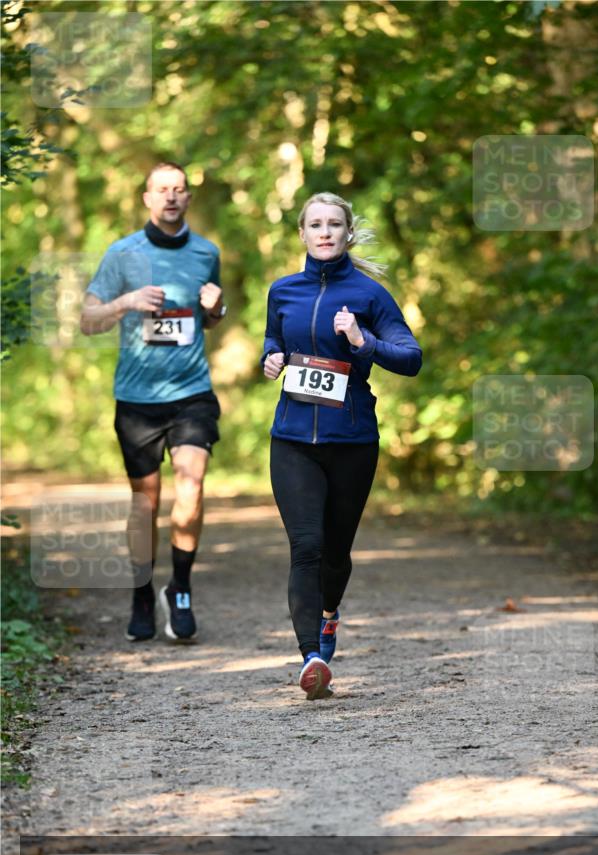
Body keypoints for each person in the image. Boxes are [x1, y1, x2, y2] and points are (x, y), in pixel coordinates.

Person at [262, 192, 422, 700]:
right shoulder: (282, 291)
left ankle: (329, 617)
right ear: (302, 234)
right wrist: (270, 358)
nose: (325, 232)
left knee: (335, 552)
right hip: (292, 439)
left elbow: (411, 357)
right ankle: (311, 655)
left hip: (352, 441)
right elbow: (273, 340)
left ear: (347, 233)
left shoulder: (369, 296)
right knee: (305, 547)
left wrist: (361, 342)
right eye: (315, 224)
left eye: (334, 224)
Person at [80, 162, 226, 643]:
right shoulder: (122, 254)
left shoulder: (207, 252)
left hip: (192, 395)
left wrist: (215, 310)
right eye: (162, 190)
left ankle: (179, 588)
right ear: (146, 198)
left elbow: (209, 321)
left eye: (179, 190)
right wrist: (126, 302)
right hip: (138, 400)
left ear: (188, 198)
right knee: (145, 505)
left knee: (192, 484)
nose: (171, 197)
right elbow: (88, 320)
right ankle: (142, 591)